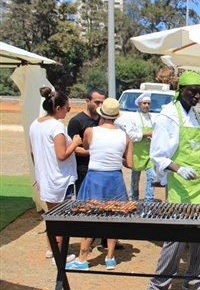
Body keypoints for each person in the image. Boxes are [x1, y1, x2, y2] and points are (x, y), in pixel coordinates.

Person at [143, 71, 200, 290]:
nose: (197, 95)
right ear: (181, 90)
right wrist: (178, 169)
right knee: (176, 238)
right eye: (192, 91)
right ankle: (157, 288)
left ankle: (195, 279)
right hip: (180, 186)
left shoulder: (199, 116)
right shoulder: (167, 116)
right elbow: (157, 155)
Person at [65, 98, 133, 271]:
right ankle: (110, 258)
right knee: (113, 217)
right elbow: (130, 164)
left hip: (95, 177)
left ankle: (82, 259)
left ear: (102, 114)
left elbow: (87, 147)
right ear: (116, 117)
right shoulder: (124, 136)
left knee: (89, 217)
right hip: (115, 179)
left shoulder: (90, 131)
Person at [30, 87, 82, 264]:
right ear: (58, 108)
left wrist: (40, 172)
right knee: (61, 216)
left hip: (46, 177)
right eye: (67, 108)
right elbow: (62, 154)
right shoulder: (57, 126)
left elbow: (33, 152)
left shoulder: (35, 124)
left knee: (51, 215)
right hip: (60, 178)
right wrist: (75, 143)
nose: (68, 111)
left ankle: (51, 249)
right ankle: (60, 255)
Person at [67, 88, 105, 196]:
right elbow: (73, 148)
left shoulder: (104, 119)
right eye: (97, 102)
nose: (100, 105)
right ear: (87, 101)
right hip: (83, 168)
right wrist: (94, 152)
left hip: (100, 167)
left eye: (102, 102)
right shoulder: (76, 121)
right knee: (83, 201)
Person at [124, 91, 156, 201]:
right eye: (144, 103)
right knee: (135, 179)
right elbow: (130, 135)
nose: (146, 105)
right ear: (139, 104)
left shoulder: (152, 118)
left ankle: (149, 201)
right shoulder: (132, 117)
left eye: (148, 103)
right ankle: (134, 198)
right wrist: (145, 134)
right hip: (137, 152)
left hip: (149, 153)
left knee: (152, 176)